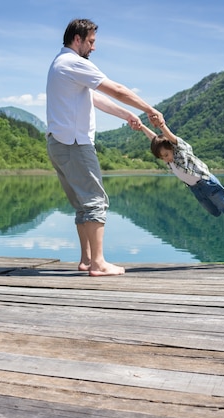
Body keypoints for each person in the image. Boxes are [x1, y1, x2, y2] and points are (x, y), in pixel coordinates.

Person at [46, 18, 164, 276]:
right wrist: (148, 109)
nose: (93, 48)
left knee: (82, 203)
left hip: (59, 143)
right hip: (75, 144)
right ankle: (98, 264)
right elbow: (117, 89)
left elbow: (94, 97)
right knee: (96, 201)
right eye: (91, 42)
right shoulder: (74, 62)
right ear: (77, 39)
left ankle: (87, 260)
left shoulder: (60, 64)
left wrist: (127, 116)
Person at [139, 122, 224, 233]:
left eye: (166, 155)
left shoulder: (181, 151)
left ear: (172, 147)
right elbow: (155, 139)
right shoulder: (169, 161)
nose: (165, 159)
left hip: (206, 181)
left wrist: (161, 125)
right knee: (213, 211)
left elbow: (170, 137)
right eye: (162, 157)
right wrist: (143, 127)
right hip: (195, 188)